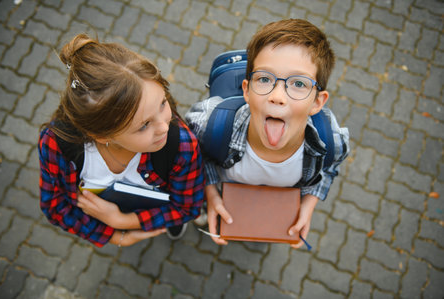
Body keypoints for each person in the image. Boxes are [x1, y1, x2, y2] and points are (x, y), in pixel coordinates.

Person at [185, 19, 349, 249]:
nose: (278, 96)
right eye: (264, 79)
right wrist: (211, 193)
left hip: (276, 205)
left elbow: (329, 167)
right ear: (247, 90)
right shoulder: (207, 122)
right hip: (225, 190)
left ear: (317, 102)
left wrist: (308, 206)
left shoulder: (331, 139)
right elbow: (194, 154)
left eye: (299, 84)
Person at [38, 34, 205, 247]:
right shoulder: (57, 144)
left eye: (163, 103)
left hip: (150, 208)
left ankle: (164, 224)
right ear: (103, 136)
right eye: (144, 125)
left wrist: (122, 221)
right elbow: (55, 206)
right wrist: (115, 236)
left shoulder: (180, 145)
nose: (165, 126)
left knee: (171, 218)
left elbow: (186, 208)